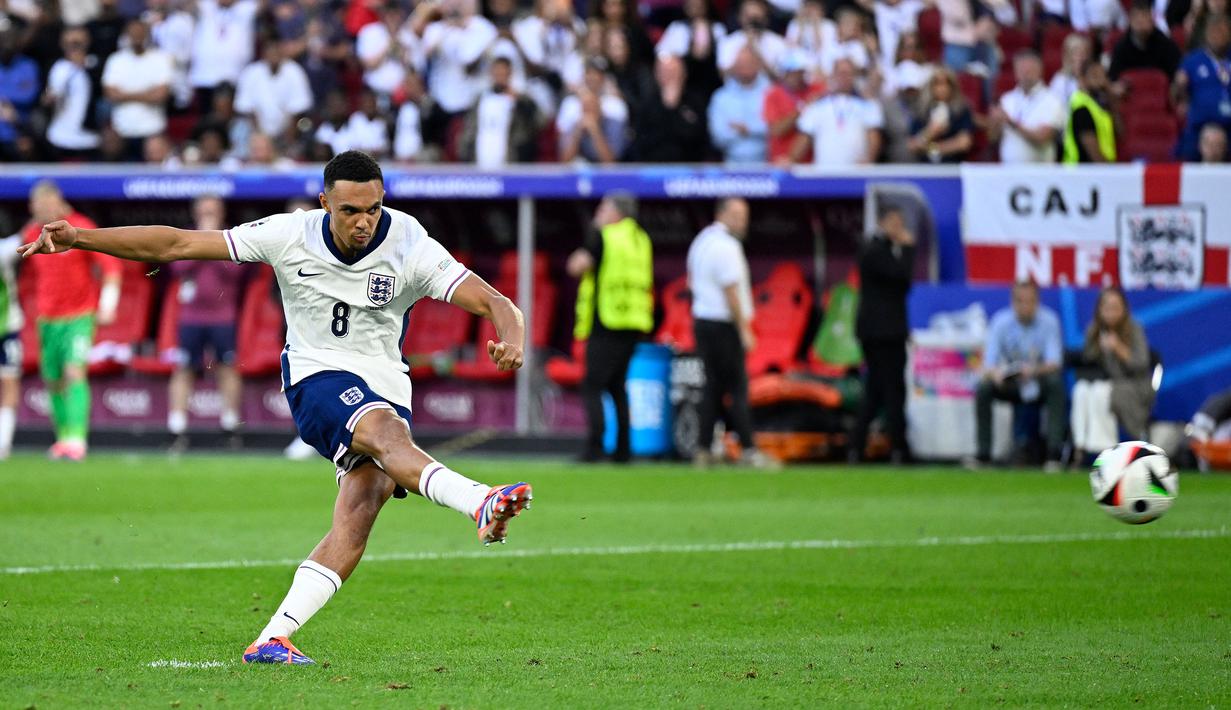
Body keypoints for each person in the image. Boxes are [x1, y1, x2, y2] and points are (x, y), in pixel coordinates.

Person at [19, 150, 533, 665]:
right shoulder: (290, 233)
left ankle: (272, 637)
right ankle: (478, 500)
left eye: (373, 209)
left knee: (360, 511)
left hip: (387, 384)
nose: (364, 221)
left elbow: (496, 303)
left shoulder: (409, 242)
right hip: (315, 375)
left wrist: (510, 338)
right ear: (324, 202)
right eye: (350, 210)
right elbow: (176, 243)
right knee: (386, 438)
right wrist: (80, 238)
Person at [20, 181, 122, 462]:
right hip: (46, 319)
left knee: (74, 373)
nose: (37, 212)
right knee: (52, 380)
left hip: (79, 315)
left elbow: (111, 267)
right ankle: (63, 438)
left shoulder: (79, 228)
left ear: (55, 202)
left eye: (40, 207)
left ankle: (77, 440)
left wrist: (108, 304)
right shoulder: (34, 232)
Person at [686, 197, 777, 470]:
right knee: (737, 388)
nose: (742, 221)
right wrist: (744, 329)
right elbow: (732, 292)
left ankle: (703, 449)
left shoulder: (702, 240)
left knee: (712, 388)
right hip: (722, 324)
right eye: (736, 214)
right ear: (721, 213)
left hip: (702, 320)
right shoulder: (726, 246)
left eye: (745, 215)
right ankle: (749, 449)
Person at [566, 192, 654, 463]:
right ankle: (623, 451)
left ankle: (595, 447)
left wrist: (594, 230)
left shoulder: (606, 236)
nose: (599, 214)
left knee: (592, 385)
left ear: (616, 213)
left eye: (603, 209)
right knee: (617, 387)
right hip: (633, 323)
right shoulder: (641, 238)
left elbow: (576, 266)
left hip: (606, 321)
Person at [167, 196, 245, 453]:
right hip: (191, 317)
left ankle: (230, 426)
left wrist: (214, 240)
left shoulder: (232, 238)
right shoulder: (185, 237)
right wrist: (201, 239)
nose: (208, 216)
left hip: (223, 317)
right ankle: (177, 428)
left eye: (212, 212)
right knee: (184, 368)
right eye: (203, 212)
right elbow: (178, 270)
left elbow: (234, 272)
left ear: (221, 214)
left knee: (227, 367)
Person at [967, 281, 1066, 471]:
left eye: (1030, 301)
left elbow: (1055, 363)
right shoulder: (1001, 322)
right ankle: (983, 453)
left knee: (1055, 384)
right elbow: (989, 363)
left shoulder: (1049, 321)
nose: (1025, 306)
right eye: (1020, 301)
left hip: (1038, 379)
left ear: (1037, 302)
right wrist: (997, 374)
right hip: (1010, 382)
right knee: (984, 387)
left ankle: (1054, 453)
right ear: (1013, 302)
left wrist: (1034, 370)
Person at [849, 206, 915, 465]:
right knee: (893, 390)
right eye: (895, 223)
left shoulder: (878, 249)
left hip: (884, 331)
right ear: (883, 222)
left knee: (876, 390)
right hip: (882, 333)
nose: (899, 229)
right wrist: (908, 249)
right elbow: (901, 278)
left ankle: (857, 447)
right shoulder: (874, 250)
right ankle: (898, 448)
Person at [1070, 287, 1154, 463]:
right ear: (1099, 310)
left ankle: (1105, 450)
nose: (1111, 313)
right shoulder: (1094, 330)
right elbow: (1087, 362)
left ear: (1124, 308)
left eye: (1116, 307)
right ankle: (1080, 446)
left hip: (1133, 387)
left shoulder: (1134, 329)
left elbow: (1141, 364)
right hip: (1102, 383)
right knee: (1081, 390)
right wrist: (1098, 349)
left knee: (1102, 392)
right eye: (1107, 308)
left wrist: (1119, 348)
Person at [788, 58, 884, 166]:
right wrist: (791, 159)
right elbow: (804, 137)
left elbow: (874, 136)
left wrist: (869, 160)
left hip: (856, 172)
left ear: (854, 76)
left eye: (848, 74)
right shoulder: (817, 106)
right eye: (841, 73)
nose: (844, 78)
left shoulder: (868, 105)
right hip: (825, 171)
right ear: (833, 75)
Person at [101, 18, 173, 160]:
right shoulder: (116, 60)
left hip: (152, 130)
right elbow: (110, 93)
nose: (137, 37)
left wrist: (125, 94)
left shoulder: (160, 59)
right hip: (122, 130)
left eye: (140, 33)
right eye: (133, 33)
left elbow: (161, 94)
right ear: (126, 35)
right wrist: (147, 94)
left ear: (147, 34)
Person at [457, 56, 542, 167]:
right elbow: (469, 128)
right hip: (480, 156)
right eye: (497, 71)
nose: (500, 75)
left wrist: (520, 102)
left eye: (503, 72)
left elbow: (539, 122)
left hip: (510, 158)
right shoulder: (480, 99)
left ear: (510, 73)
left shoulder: (521, 99)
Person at [989, 50, 1067, 164]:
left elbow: (1042, 139)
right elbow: (993, 138)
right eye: (1021, 70)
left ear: (1040, 71)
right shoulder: (1007, 99)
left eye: (1029, 70)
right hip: (1009, 171)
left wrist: (1011, 122)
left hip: (1040, 172)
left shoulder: (1053, 100)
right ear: (1015, 72)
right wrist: (994, 123)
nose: (1025, 74)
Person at [1173, 15, 1231, 160]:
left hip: (1229, 126)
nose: (1218, 35)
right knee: (1185, 151)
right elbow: (1174, 95)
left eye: (1223, 31)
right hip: (1200, 126)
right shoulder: (1192, 60)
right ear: (1206, 34)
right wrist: (1180, 87)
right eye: (1214, 31)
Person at [42, 26, 99, 160]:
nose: (74, 50)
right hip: (60, 138)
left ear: (87, 42)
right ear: (62, 44)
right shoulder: (57, 67)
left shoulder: (96, 64)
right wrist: (49, 97)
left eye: (78, 44)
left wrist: (83, 66)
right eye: (70, 45)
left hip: (91, 137)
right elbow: (49, 94)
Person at [708, 46, 771, 164]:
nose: (744, 68)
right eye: (740, 64)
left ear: (758, 64)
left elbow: (775, 129)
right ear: (734, 66)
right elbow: (718, 136)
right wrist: (756, 131)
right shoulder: (720, 97)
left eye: (748, 63)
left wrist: (748, 129)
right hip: (730, 165)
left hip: (767, 164)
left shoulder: (771, 93)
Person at [763, 49, 824, 164]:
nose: (797, 76)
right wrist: (803, 109)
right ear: (784, 74)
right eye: (792, 73)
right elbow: (776, 130)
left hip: (812, 162)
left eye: (800, 72)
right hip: (782, 162)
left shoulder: (817, 89)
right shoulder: (773, 94)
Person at [907, 66, 975, 163]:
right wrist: (930, 132)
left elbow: (964, 143)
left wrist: (933, 149)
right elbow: (912, 146)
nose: (942, 88)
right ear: (931, 87)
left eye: (946, 84)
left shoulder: (961, 110)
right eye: (937, 84)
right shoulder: (922, 110)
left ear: (952, 87)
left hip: (953, 167)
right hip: (925, 169)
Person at [1109, 0, 1181, 81]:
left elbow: (1175, 77)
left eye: (1144, 16)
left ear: (1152, 19)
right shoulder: (1121, 48)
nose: (1141, 21)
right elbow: (1114, 79)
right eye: (1136, 18)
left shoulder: (1166, 46)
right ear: (1130, 20)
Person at [1063, 60, 1119, 163]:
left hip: (1098, 172)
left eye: (1103, 75)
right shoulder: (1081, 108)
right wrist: (1110, 173)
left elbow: (1120, 133)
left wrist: (1111, 97)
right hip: (1081, 173)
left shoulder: (1100, 106)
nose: (1101, 81)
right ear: (1082, 79)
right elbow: (1094, 154)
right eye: (1095, 75)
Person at [0, 231, 23, 460]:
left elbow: (24, 237)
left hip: (6, 329)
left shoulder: (3, 251)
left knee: (9, 382)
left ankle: (3, 443)